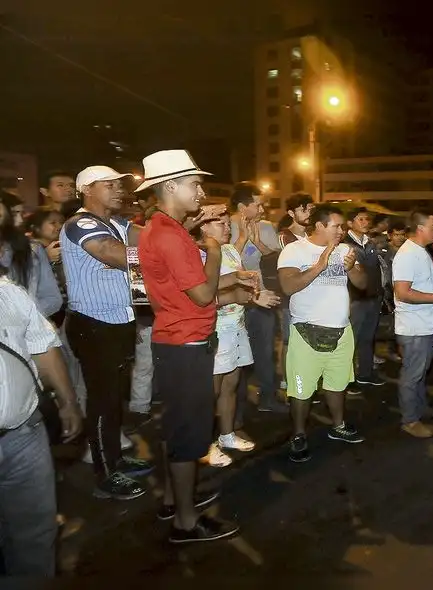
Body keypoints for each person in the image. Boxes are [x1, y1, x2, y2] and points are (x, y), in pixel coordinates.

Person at [138, 149, 254, 543]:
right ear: (169, 186)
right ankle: (186, 523)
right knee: (189, 437)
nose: (201, 191)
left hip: (175, 339)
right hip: (186, 343)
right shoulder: (171, 236)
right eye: (194, 183)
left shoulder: (163, 227)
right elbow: (203, 294)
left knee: (177, 429)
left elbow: (184, 290)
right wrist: (216, 249)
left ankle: (175, 500)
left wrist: (197, 229)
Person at [61, 165, 153, 499]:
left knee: (115, 399)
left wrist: (141, 312)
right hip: (93, 325)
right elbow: (110, 253)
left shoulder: (118, 224)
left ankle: (114, 457)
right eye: (110, 184)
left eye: (119, 184)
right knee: (102, 401)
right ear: (87, 189)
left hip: (119, 321)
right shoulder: (80, 223)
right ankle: (105, 473)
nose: (119, 190)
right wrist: (159, 252)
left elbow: (143, 253)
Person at [0, 278, 83, 576]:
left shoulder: (8, 292)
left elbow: (43, 345)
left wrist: (68, 401)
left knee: (36, 535)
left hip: (25, 436)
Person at [278, 204, 367, 462]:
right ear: (319, 225)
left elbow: (363, 284)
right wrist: (321, 263)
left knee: (337, 383)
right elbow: (288, 286)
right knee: (302, 389)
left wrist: (352, 268)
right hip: (306, 331)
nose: (342, 230)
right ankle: (298, 434)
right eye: (336, 226)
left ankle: (338, 425)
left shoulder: (345, 251)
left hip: (341, 329)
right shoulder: (294, 250)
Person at [192, 209, 280, 467]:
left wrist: (253, 291)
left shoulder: (228, 250)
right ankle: (204, 445)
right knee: (212, 390)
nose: (225, 227)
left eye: (225, 223)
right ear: (204, 229)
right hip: (215, 328)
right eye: (219, 224)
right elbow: (203, 292)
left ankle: (226, 435)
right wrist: (248, 293)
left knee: (231, 384)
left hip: (236, 325)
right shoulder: (199, 254)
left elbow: (240, 281)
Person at [229, 182, 285, 413]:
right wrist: (243, 238)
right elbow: (226, 263)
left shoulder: (266, 227)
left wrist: (259, 242)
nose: (262, 210)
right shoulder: (223, 226)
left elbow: (276, 259)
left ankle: (268, 398)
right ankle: (236, 407)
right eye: (258, 205)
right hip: (232, 300)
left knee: (264, 351)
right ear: (243, 207)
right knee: (235, 356)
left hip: (263, 297)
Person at [392, 209, 433, 438]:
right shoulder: (407, 254)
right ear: (420, 228)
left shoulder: (420, 251)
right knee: (412, 374)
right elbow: (402, 292)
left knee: (421, 372)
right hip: (414, 326)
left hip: (423, 323)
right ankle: (410, 420)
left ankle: (420, 408)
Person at [344, 207, 386, 388]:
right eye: (360, 219)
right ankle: (347, 378)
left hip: (373, 296)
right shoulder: (345, 244)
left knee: (368, 338)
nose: (365, 223)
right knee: (350, 341)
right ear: (350, 223)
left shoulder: (370, 243)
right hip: (355, 298)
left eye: (367, 219)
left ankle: (365, 373)